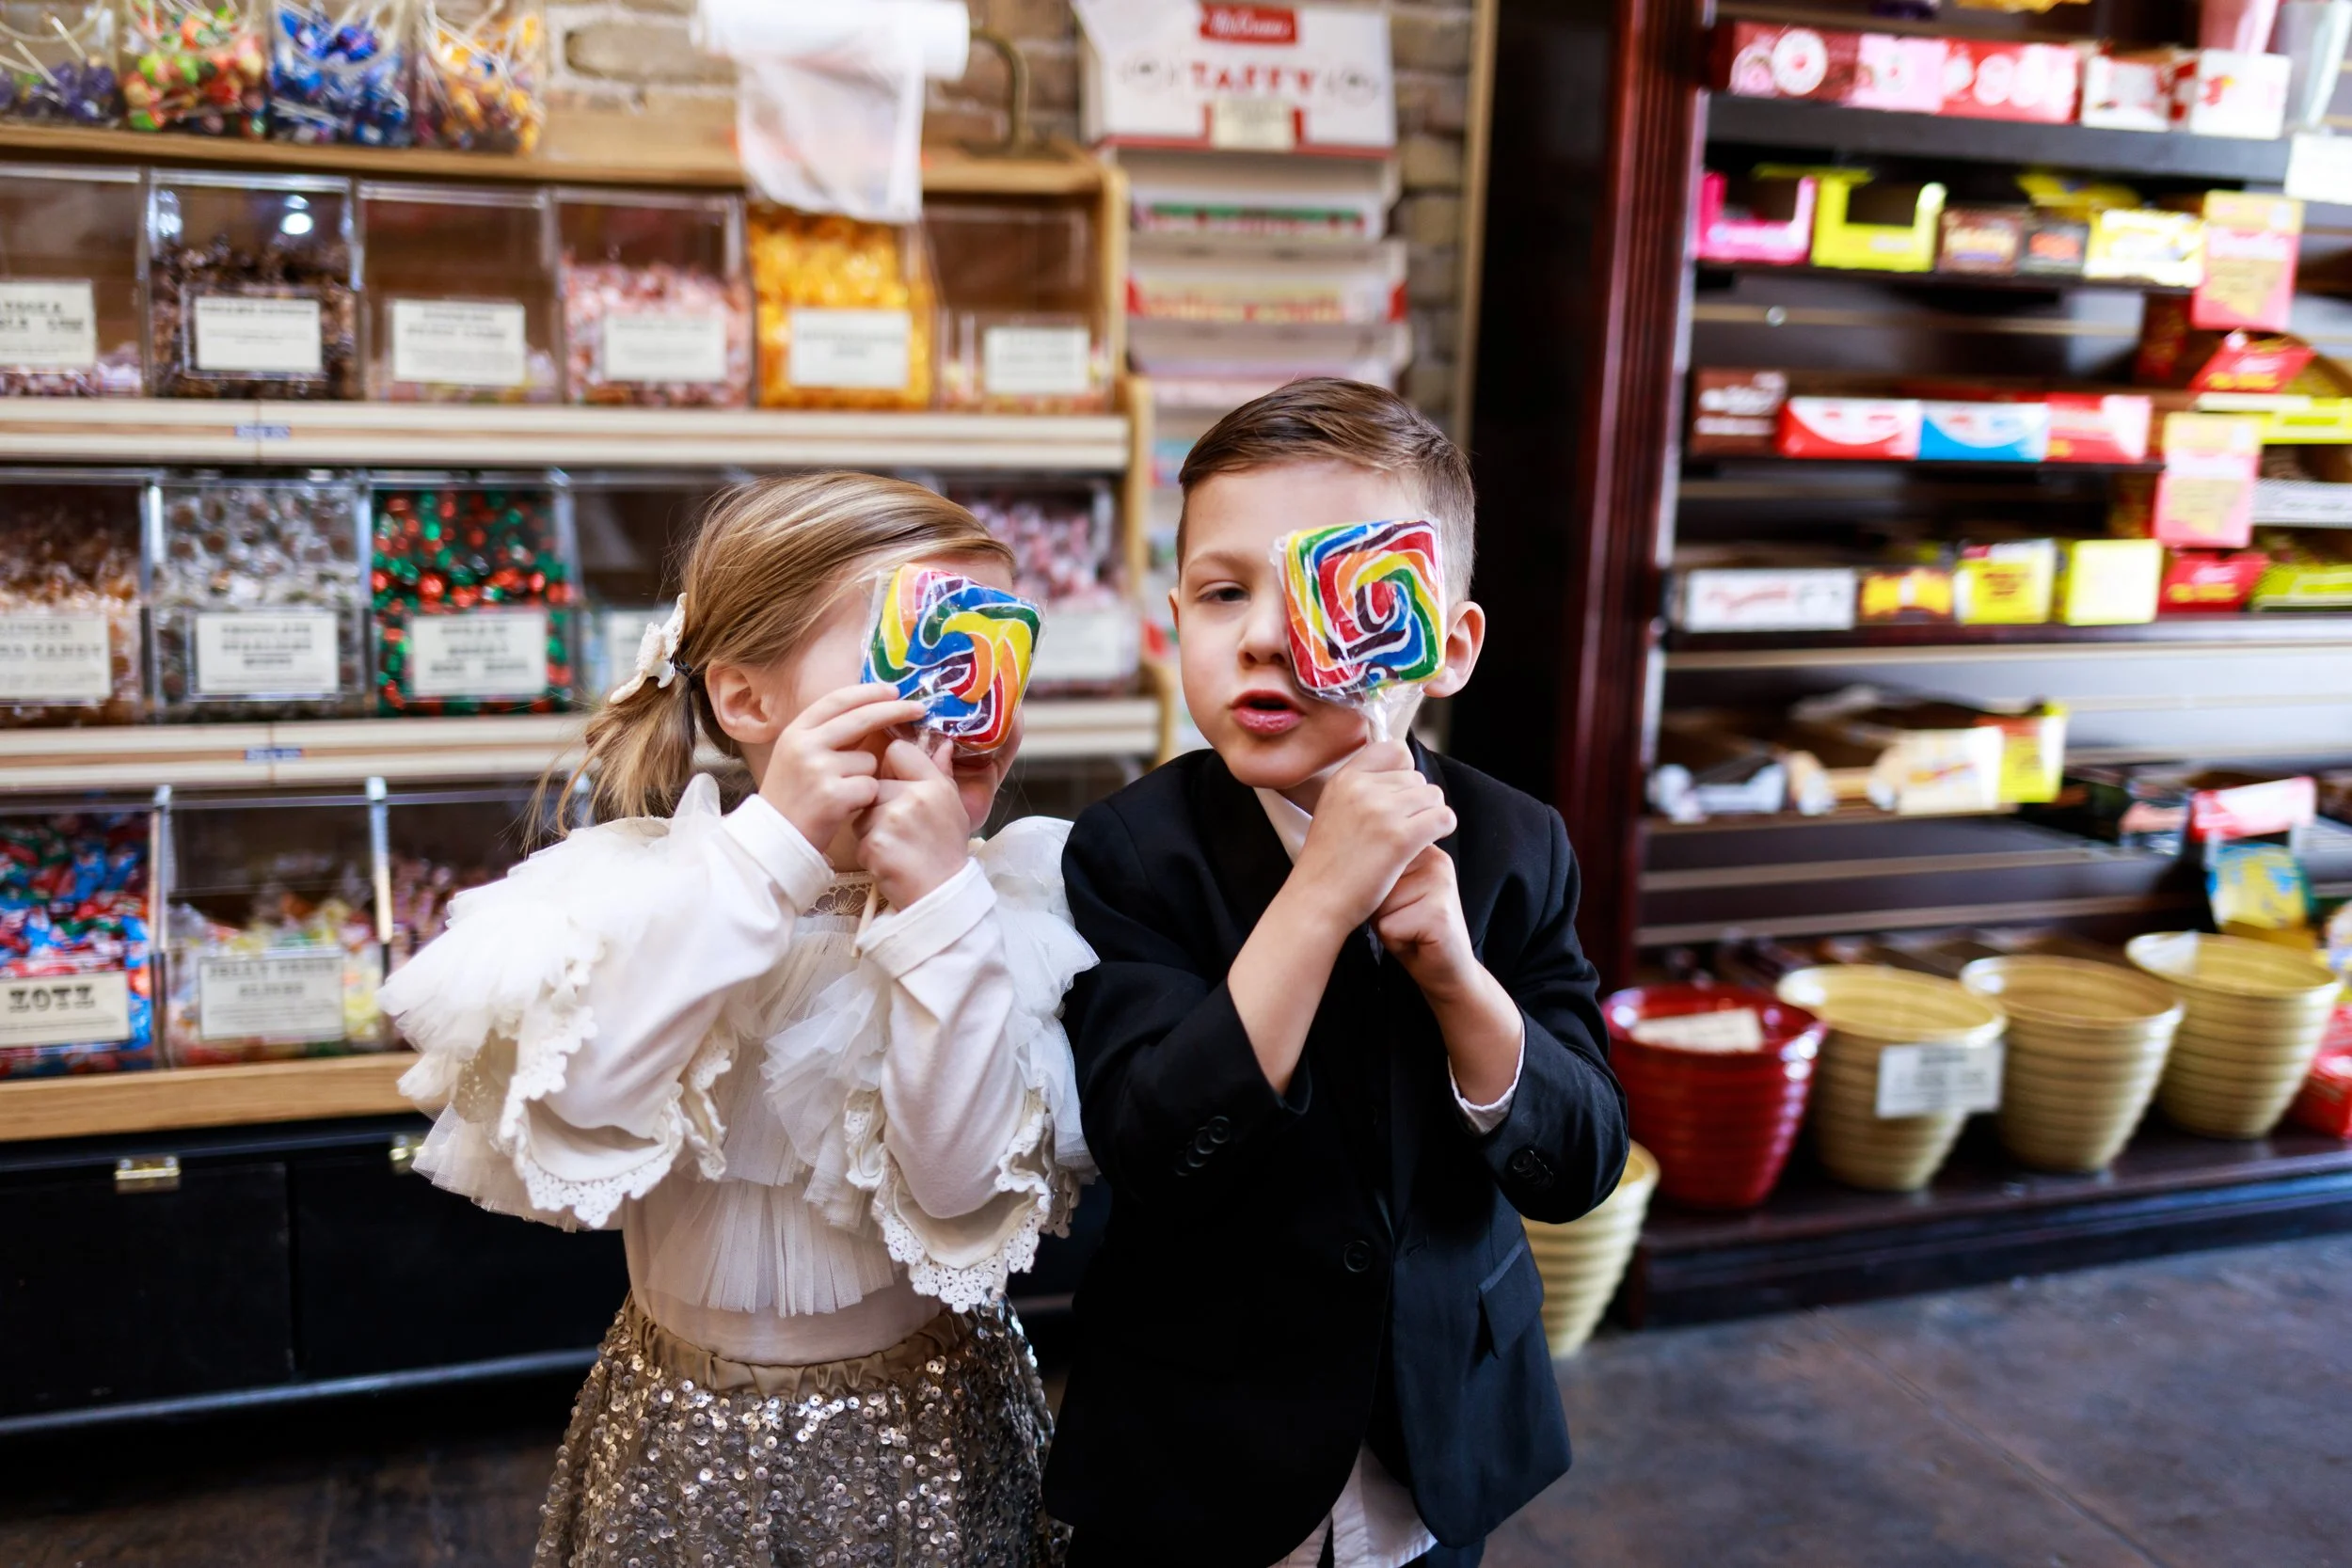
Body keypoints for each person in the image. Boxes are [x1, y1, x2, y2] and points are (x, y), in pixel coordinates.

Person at [380, 472, 1090, 1567]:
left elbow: (956, 1188)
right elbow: (585, 1099)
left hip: (934, 1439)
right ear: (747, 701)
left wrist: (940, 911)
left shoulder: (1001, 911)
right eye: (918, 649)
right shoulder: (646, 896)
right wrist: (769, 859)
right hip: (679, 1439)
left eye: (993, 653)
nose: (964, 701)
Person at [1042, 379, 1630, 1568]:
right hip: (1196, 1452)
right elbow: (1151, 1146)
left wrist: (1458, 978)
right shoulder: (1130, 852)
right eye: (1224, 592)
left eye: (1331, 589)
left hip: (1437, 1434)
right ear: (1173, 621)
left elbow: (1580, 1162)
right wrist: (1317, 900)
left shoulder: (1517, 846)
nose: (1264, 635)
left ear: (1444, 645)